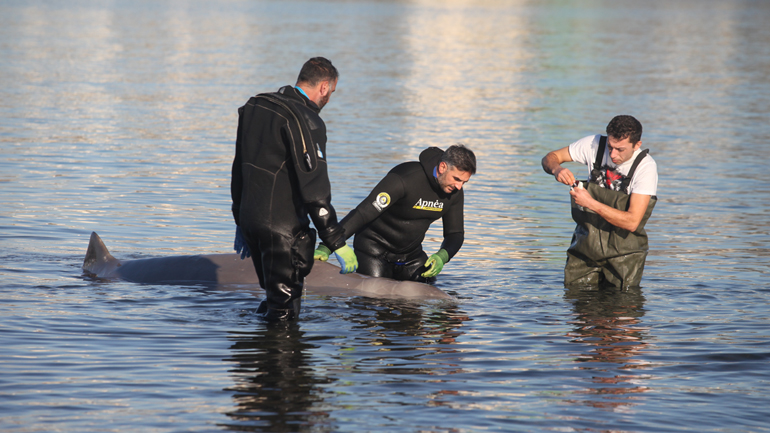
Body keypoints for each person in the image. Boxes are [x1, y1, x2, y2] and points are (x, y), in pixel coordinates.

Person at [230, 57, 358, 322]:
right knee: (285, 314)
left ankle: (255, 347)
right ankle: (279, 349)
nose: (329, 99)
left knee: (272, 300)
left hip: (251, 222)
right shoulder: (307, 120)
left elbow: (239, 169)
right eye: (332, 92)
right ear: (324, 87)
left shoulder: (256, 106)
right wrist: (336, 242)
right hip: (282, 232)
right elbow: (315, 189)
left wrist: (240, 220)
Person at [314, 144, 476, 283]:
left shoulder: (454, 192)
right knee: (374, 300)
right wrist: (328, 246)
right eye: (457, 179)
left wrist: (442, 256)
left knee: (428, 292)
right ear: (442, 167)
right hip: (374, 250)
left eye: (464, 182)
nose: (459, 187)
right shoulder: (405, 178)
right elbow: (363, 213)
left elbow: (455, 233)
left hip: (411, 255)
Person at [541, 115, 658, 288]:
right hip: (585, 248)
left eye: (620, 149)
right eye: (610, 147)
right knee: (575, 298)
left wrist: (589, 203)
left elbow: (632, 222)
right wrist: (556, 169)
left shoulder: (646, 168)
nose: (612, 154)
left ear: (637, 145)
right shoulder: (593, 144)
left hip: (624, 255)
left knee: (622, 302)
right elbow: (550, 157)